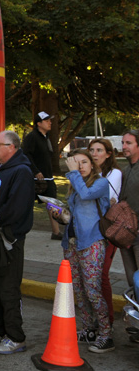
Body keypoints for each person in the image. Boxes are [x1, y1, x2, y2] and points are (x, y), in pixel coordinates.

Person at [48, 149, 113, 352]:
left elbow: (86, 195)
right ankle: (88, 328)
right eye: (76, 163)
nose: (80, 167)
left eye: (84, 162)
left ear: (92, 164)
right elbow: (75, 214)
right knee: (78, 288)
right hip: (73, 242)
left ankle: (106, 334)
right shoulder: (75, 186)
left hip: (92, 242)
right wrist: (59, 214)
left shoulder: (100, 183)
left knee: (92, 290)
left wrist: (73, 172)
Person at [0, 130, 35, 354]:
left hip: (9, 239)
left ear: (11, 147)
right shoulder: (0, 169)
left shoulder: (22, 171)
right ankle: (2, 331)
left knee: (8, 287)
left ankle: (16, 337)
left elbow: (15, 208)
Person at [89, 137, 122, 327]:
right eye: (92, 150)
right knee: (90, 277)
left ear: (109, 154)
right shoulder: (89, 172)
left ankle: (107, 320)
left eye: (99, 150)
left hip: (107, 230)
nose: (94, 154)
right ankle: (96, 319)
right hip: (90, 231)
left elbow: (105, 198)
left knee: (101, 275)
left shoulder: (114, 173)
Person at [22, 111, 62, 239]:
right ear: (38, 123)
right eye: (47, 120)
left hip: (48, 178)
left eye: (50, 120)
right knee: (26, 205)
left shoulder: (46, 137)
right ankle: (19, 229)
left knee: (53, 204)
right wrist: (35, 171)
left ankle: (56, 232)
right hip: (35, 179)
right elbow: (26, 155)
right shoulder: (32, 137)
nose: (50, 122)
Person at [120, 129, 139, 334]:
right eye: (123, 142)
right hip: (126, 234)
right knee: (132, 280)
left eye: (129, 143)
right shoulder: (125, 170)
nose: (124, 146)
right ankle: (135, 324)